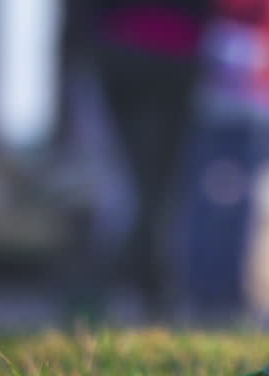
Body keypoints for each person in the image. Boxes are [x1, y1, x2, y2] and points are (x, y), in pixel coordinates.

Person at [71, 0, 212, 320]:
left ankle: (127, 284)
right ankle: (144, 285)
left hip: (121, 47)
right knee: (157, 183)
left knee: (126, 181)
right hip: (173, 52)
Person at [180, 0, 269, 320]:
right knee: (209, 197)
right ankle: (204, 289)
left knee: (240, 199)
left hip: (260, 94)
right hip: (224, 93)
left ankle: (229, 291)